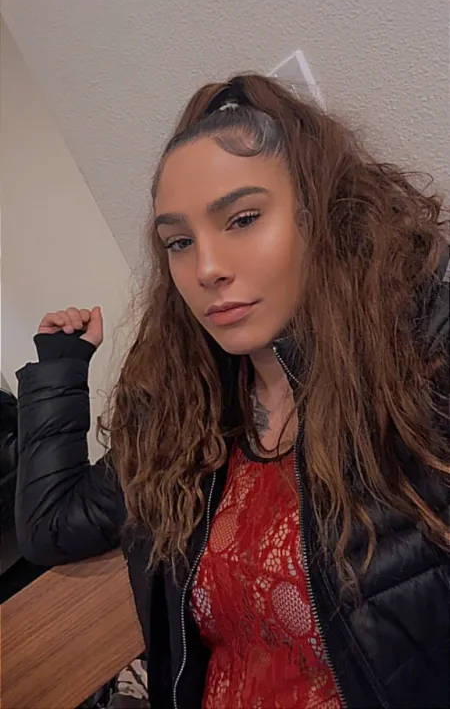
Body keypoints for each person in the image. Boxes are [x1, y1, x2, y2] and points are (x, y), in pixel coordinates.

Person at [16, 75, 449, 709]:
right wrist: (60, 367)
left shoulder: (423, 366)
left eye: (243, 219)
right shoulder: (189, 411)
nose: (207, 267)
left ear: (322, 214)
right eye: (179, 242)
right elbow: (52, 527)